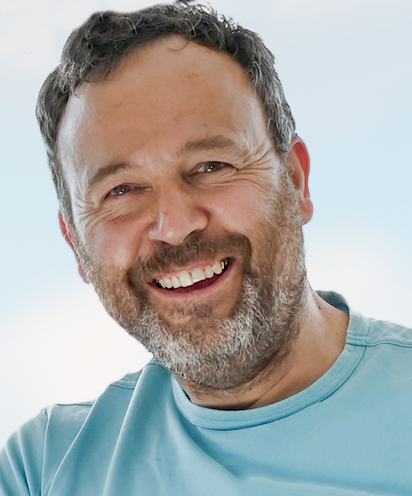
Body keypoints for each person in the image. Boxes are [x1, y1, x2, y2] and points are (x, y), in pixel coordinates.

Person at [1, 2, 411, 495]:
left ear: (296, 180)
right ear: (75, 243)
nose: (175, 228)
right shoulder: (42, 469)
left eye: (212, 166)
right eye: (121, 191)